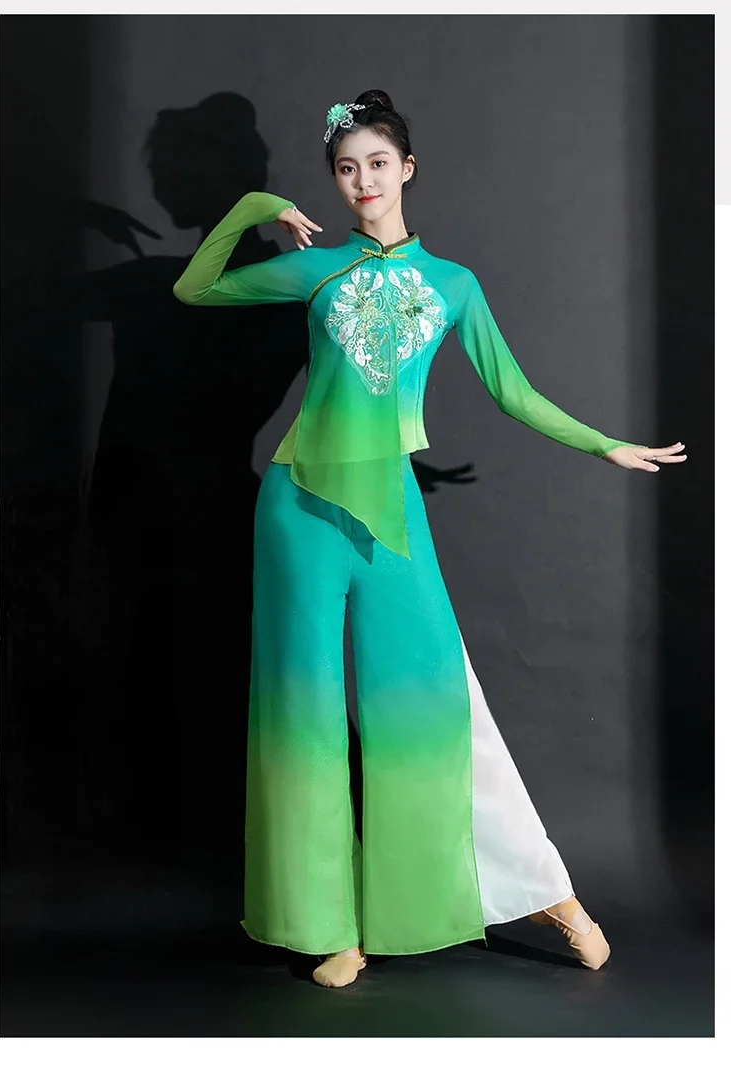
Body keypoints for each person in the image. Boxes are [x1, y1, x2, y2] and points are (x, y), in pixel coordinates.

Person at [173, 89, 687, 988]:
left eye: (378, 163)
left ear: (407, 168)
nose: (363, 181)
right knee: (304, 718)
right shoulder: (315, 269)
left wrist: (602, 442)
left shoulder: (453, 286)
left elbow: (512, 390)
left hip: (392, 516)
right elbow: (195, 286)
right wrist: (256, 208)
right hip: (297, 510)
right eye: (346, 168)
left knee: (431, 708)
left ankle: (543, 893)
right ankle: (329, 926)